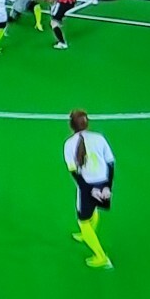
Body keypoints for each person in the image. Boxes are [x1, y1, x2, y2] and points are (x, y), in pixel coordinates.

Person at [64, 109, 115, 269]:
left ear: (71, 125)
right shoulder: (99, 138)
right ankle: (87, 234)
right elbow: (110, 162)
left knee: (83, 221)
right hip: (103, 182)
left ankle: (101, 257)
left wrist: (85, 188)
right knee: (93, 210)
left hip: (86, 184)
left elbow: (73, 170)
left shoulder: (69, 144)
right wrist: (108, 186)